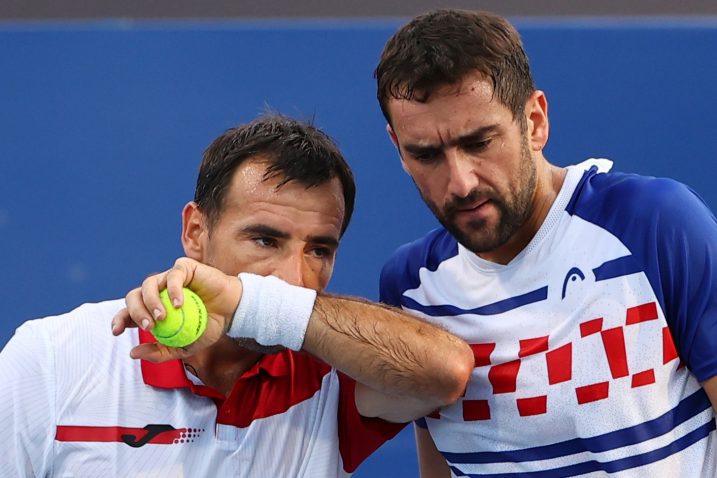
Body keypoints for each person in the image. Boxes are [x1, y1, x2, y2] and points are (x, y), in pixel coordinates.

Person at [0, 114, 474, 477]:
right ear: (195, 232)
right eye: (265, 240)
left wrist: (256, 306)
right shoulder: (51, 359)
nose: (295, 276)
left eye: (319, 249)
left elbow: (445, 371)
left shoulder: (335, 372)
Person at [372, 8, 717, 477]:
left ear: (534, 121)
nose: (461, 183)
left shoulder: (657, 224)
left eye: (479, 142)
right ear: (397, 149)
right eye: (426, 154)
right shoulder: (409, 286)